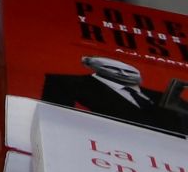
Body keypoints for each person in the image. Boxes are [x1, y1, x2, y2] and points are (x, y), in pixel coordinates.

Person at [41, 56, 188, 134]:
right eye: (113, 69)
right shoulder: (68, 83)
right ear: (95, 68)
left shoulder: (161, 96)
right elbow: (56, 120)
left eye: (130, 71)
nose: (123, 74)